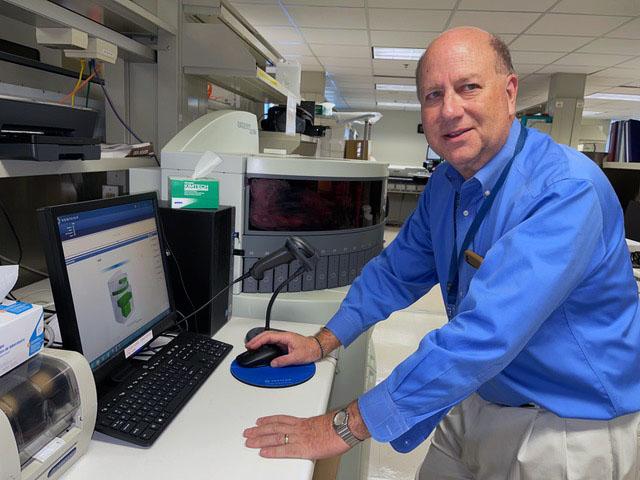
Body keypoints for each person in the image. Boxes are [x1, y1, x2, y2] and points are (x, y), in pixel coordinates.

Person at [243, 26, 640, 478]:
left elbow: (485, 333)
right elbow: (395, 273)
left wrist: (344, 425)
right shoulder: (448, 184)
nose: (450, 110)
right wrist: (321, 341)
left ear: (509, 92)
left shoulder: (565, 190)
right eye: (433, 95)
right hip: (482, 392)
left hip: (566, 426)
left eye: (468, 87)